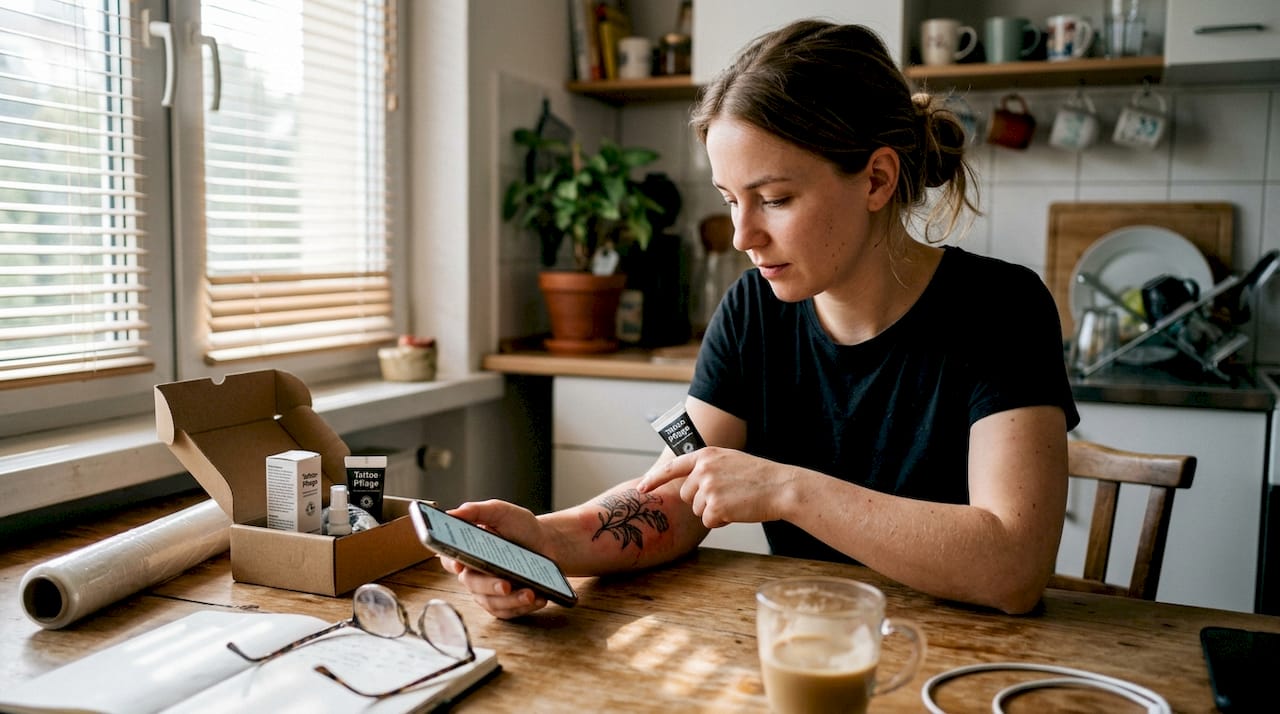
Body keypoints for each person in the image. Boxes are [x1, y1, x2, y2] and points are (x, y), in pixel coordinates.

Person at [443, 19, 1079, 617]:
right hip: (807, 641)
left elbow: (1014, 566)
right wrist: (547, 538)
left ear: (877, 180)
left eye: (775, 199)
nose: (743, 234)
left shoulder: (1002, 308)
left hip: (967, 663)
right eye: (730, 200)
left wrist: (785, 489)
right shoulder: (753, 310)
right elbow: (681, 498)